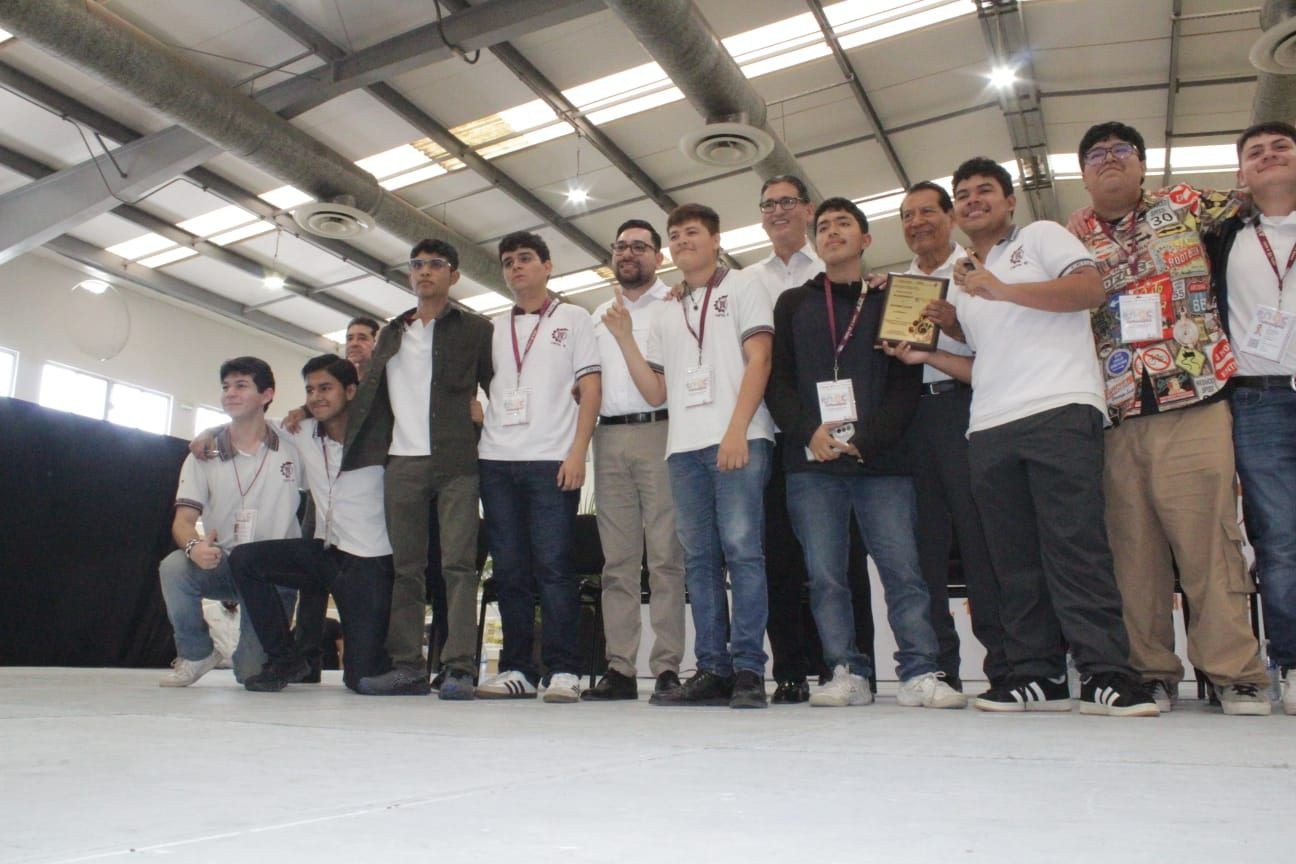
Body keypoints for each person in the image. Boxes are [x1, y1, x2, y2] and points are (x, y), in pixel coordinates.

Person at [1070, 120, 1269, 715]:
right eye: (1097, 154)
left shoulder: (1184, 204)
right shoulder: (1068, 236)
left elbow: (1262, 194)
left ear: (1142, 163)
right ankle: (1150, 670)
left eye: (1121, 150)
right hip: (1115, 412)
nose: (1109, 159)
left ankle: (1235, 673)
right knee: (1133, 554)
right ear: (1083, 174)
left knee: (1210, 544)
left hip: (1196, 399)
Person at [947, 156, 1156, 716]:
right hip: (989, 424)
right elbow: (985, 357)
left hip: (1059, 409)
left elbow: (1089, 289)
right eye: (963, 194)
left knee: (1075, 546)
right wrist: (930, 349)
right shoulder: (962, 277)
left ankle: (1107, 674)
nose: (972, 200)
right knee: (1013, 560)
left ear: (1009, 200)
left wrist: (1000, 288)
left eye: (985, 190)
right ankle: (1037, 674)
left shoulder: (1041, 236)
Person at [766, 196, 964, 709]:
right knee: (826, 576)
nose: (832, 232)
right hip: (812, 464)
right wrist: (809, 433)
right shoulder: (792, 303)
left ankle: (919, 671)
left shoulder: (892, 298)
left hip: (884, 462)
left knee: (904, 571)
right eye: (824, 227)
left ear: (866, 239)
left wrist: (867, 440)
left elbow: (905, 382)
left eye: (843, 224)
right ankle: (845, 670)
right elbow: (778, 381)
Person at [604, 203, 774, 709]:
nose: (682, 241)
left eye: (692, 232)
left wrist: (737, 430)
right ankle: (713, 668)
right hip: (682, 449)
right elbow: (655, 391)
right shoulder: (666, 308)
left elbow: (760, 359)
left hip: (739, 438)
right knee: (698, 560)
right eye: (675, 235)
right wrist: (624, 339)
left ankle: (748, 668)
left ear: (716, 240)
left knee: (742, 553)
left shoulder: (744, 285)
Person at [348, 239, 494, 698]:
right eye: (417, 265)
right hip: (402, 460)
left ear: (453, 275)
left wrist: (486, 417)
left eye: (435, 264)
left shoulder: (476, 329)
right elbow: (368, 395)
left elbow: (501, 385)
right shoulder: (392, 333)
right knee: (405, 568)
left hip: (457, 460)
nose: (425, 271)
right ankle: (407, 667)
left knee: (459, 566)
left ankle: (460, 668)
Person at [475, 231, 601, 703]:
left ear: (548, 266)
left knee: (554, 567)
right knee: (509, 570)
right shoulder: (491, 327)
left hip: (552, 459)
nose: (516, 267)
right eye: (508, 261)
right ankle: (517, 669)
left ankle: (564, 668)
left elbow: (591, 388)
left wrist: (578, 452)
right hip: (496, 461)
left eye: (525, 258)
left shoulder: (575, 318)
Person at [895, 180, 1008, 691]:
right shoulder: (896, 286)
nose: (916, 222)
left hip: (965, 408)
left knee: (979, 540)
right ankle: (938, 664)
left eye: (926, 212)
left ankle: (1004, 662)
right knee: (925, 547)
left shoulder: (974, 273)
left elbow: (998, 349)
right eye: (907, 215)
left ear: (950, 217)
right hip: (911, 419)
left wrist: (956, 325)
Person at [228, 355, 394, 692]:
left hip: (369, 559)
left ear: (351, 391)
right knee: (245, 559)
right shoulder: (301, 431)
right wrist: (207, 437)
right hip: (325, 551)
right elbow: (250, 427)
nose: (316, 397)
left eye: (325, 388)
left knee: (361, 679)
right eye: (310, 390)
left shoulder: (381, 434)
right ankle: (284, 657)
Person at [1206, 120, 1296, 716]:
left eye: (1281, 147)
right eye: (1255, 152)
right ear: (1241, 173)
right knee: (1280, 538)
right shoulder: (1222, 236)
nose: (1268, 156)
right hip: (1259, 401)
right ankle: (1290, 661)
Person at [583, 219, 686, 703]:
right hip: (608, 437)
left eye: (639, 246)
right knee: (617, 561)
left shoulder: (675, 303)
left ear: (658, 257)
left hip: (661, 431)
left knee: (665, 556)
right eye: (621, 246)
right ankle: (620, 667)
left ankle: (667, 667)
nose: (628, 253)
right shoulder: (598, 313)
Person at [157, 357, 301, 686]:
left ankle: (276, 652)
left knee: (252, 674)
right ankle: (196, 653)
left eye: (241, 385)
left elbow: (324, 419)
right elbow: (183, 521)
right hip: (227, 563)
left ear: (267, 394)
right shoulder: (203, 454)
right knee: (174, 567)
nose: (230, 393)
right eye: (225, 387)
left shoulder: (292, 442)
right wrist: (194, 547)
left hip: (275, 573)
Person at [748, 175, 828, 703]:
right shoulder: (745, 280)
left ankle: (843, 664)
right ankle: (791, 670)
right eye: (768, 205)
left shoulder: (832, 272)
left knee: (831, 559)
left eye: (787, 202)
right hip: (770, 434)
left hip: (827, 433)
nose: (778, 211)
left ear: (808, 210)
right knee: (777, 556)